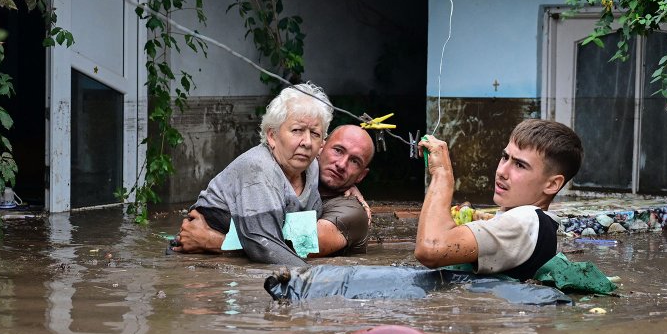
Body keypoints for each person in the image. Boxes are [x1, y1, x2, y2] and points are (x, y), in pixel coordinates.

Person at [179, 83, 333, 267]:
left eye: (315, 133)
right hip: (199, 265)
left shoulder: (313, 168)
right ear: (272, 136)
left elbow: (295, 244)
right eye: (297, 130)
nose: (307, 142)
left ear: (322, 143)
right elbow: (264, 246)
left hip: (228, 255)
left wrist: (214, 242)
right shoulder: (258, 168)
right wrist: (318, 279)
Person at [414, 119, 582, 280]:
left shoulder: (525, 220)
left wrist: (442, 173)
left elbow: (431, 248)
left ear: (552, 184)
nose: (502, 171)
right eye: (505, 157)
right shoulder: (539, 223)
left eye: (520, 165)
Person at [174, 124, 376, 258]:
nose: (341, 164)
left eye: (354, 161)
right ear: (320, 147)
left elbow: (297, 247)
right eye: (338, 150)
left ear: (361, 175)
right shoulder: (286, 174)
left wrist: (213, 242)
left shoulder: (352, 212)